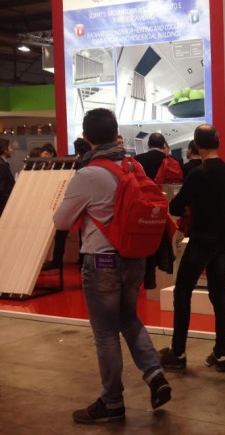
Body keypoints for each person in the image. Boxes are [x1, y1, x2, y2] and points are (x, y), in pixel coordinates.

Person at [53, 108, 171, 423]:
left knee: (105, 332)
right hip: (135, 258)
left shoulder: (88, 174)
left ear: (86, 137)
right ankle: (155, 374)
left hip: (101, 260)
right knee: (129, 319)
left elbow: (61, 221)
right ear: (116, 133)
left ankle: (112, 402)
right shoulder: (133, 165)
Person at [159, 124, 225, 373]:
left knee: (183, 291)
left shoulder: (197, 174)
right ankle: (221, 354)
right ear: (218, 142)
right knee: (219, 293)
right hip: (224, 238)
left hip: (202, 239)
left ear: (196, 145)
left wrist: (189, 206)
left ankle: (178, 352)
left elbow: (175, 206)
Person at [43, 138, 93, 271]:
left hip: (70, 198)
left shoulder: (68, 160)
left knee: (61, 230)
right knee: (83, 231)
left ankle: (57, 260)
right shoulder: (90, 162)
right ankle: (82, 261)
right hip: (86, 200)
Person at [0, 138, 15, 217]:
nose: (12, 150)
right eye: (10, 147)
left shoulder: (4, 163)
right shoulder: (2, 165)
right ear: (5, 150)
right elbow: (2, 188)